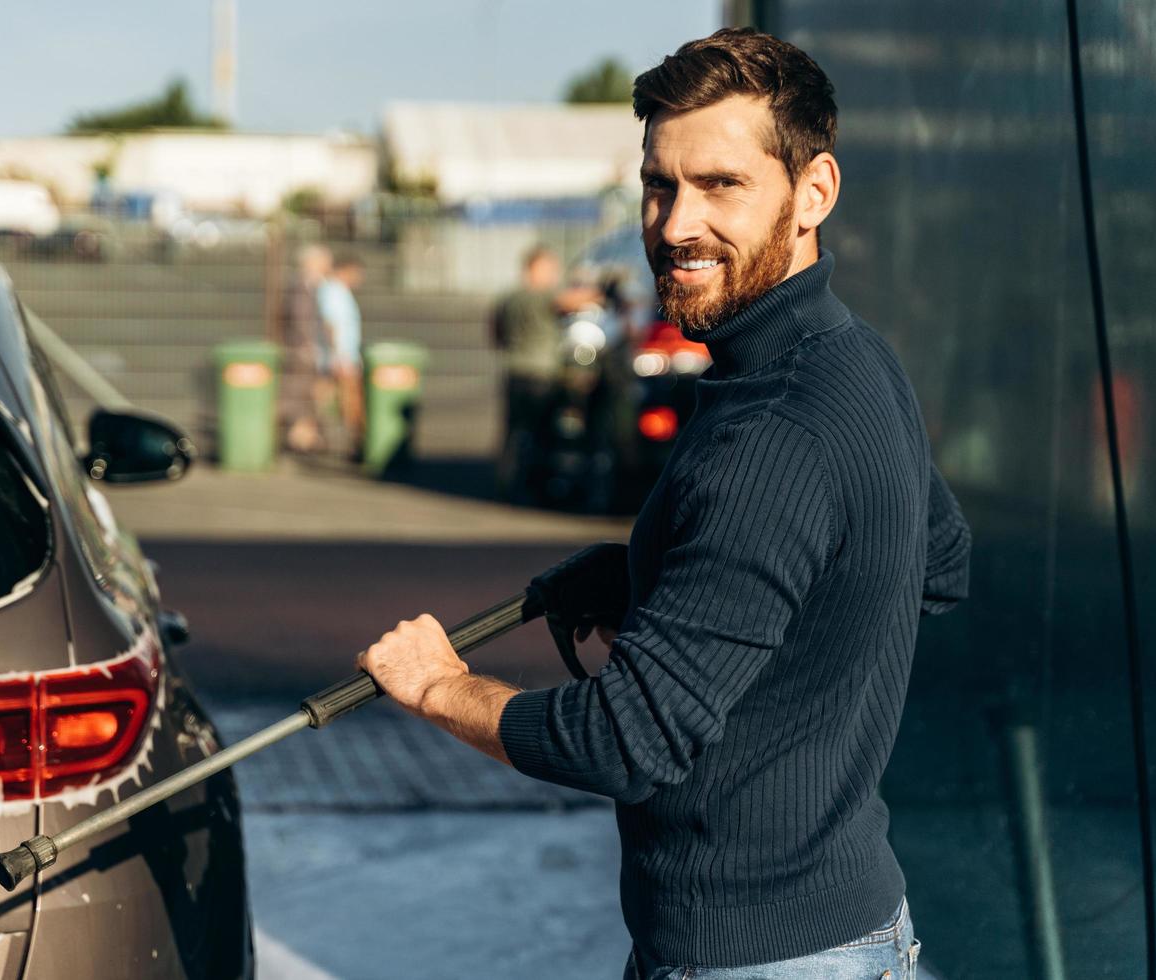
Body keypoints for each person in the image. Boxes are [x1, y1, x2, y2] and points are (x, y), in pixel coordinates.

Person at [355, 28, 971, 980]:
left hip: (758, 960)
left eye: (722, 184)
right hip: (856, 932)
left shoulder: (773, 434)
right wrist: (661, 580)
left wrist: (439, 687)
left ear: (814, 193)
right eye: (659, 183)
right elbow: (930, 564)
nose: (676, 223)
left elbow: (623, 741)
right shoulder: (856, 360)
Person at [490, 245, 598, 497]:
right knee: (542, 434)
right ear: (534, 268)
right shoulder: (542, 295)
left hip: (514, 370)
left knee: (513, 431)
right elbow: (571, 300)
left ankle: (506, 484)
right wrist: (601, 292)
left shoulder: (507, 298)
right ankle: (536, 486)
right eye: (549, 268)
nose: (554, 274)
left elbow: (495, 331)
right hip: (542, 374)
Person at [279, 244, 332, 453]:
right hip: (303, 350)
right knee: (300, 395)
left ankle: (303, 435)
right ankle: (301, 436)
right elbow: (302, 318)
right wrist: (308, 344)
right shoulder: (303, 287)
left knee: (305, 395)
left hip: (306, 349)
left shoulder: (311, 286)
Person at [317, 254, 366, 454]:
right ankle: (354, 442)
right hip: (342, 357)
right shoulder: (333, 292)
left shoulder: (339, 291)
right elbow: (331, 325)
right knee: (348, 401)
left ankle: (323, 436)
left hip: (344, 355)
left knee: (328, 398)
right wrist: (339, 356)